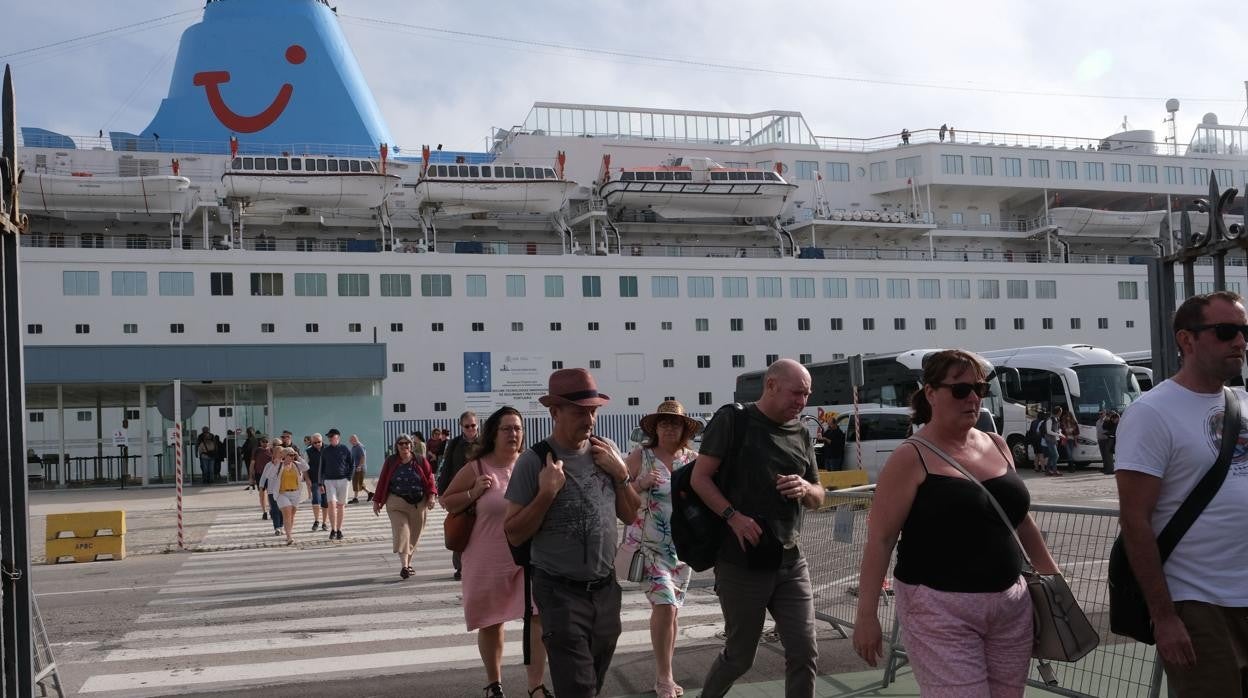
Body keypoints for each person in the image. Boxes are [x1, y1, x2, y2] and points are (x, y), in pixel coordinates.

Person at [853, 349, 1060, 696]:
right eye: (961, 390)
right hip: (939, 609)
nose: (974, 398)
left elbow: (1021, 522)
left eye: (979, 388)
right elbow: (881, 539)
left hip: (1011, 606)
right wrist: (866, 615)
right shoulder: (911, 457)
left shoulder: (996, 444)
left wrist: (1055, 584)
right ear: (931, 394)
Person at [1115, 291, 1248, 696]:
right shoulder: (1152, 412)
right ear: (1186, 341)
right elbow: (1135, 519)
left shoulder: (1241, 403)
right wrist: (1165, 616)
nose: (1240, 342)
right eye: (1227, 332)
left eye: (1244, 331)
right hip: (1198, 603)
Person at [691, 359, 824, 698]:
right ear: (771, 385)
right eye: (796, 393)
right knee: (739, 658)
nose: (802, 402)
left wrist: (806, 488)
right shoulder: (733, 421)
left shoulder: (802, 433)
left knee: (804, 652)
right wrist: (733, 515)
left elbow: (819, 494)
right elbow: (699, 478)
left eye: (807, 394)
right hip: (741, 563)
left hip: (791, 562)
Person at [503, 368, 639, 697]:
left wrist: (621, 475)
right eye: (580, 412)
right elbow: (514, 533)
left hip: (606, 588)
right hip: (559, 591)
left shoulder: (605, 450)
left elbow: (631, 513)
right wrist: (547, 493)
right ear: (555, 412)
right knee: (578, 687)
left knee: (593, 678)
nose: (590, 419)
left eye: (593, 411)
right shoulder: (533, 462)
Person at [443, 407, 553, 698]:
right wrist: (473, 493)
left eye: (517, 428)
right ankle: (495, 684)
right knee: (492, 622)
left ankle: (536, 685)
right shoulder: (477, 468)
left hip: (526, 556)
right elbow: (448, 501)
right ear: (493, 433)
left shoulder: (530, 464)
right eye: (507, 428)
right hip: (485, 559)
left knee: (537, 616)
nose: (513, 434)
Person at [623, 400, 700, 698]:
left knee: (673, 612)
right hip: (649, 546)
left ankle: (666, 672)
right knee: (666, 606)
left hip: (682, 548)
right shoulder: (641, 456)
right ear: (655, 428)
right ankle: (664, 677)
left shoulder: (692, 459)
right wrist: (641, 482)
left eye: (675, 423)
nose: (669, 427)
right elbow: (620, 495)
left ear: (683, 429)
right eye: (664, 423)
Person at [373, 433, 437, 579]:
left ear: (411, 445)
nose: (404, 446)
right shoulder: (391, 461)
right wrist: (377, 501)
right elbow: (383, 480)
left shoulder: (420, 460)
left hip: (418, 503)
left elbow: (430, 479)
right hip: (396, 502)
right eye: (401, 444)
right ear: (396, 446)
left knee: (414, 534)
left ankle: (408, 564)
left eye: (406, 443)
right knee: (402, 532)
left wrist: (432, 496)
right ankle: (404, 566)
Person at [439, 411, 481, 580]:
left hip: (482, 491)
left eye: (473, 425)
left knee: (481, 529)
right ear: (461, 427)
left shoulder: (486, 442)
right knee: (460, 527)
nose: (471, 428)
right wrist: (442, 493)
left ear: (477, 424)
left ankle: (479, 564)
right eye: (467, 426)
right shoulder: (455, 444)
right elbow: (446, 467)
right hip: (460, 492)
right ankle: (460, 567)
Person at [269, 447, 313, 545]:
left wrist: (299, 457)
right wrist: (277, 463)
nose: (292, 457)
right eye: (290, 455)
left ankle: (289, 532)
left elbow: (306, 467)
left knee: (292, 515)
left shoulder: (296, 465)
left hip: (295, 493)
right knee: (287, 511)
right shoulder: (279, 466)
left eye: (293, 455)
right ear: (284, 456)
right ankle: (289, 537)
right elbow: (270, 475)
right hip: (282, 493)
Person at [320, 429, 354, 540]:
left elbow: (352, 464)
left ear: (338, 437)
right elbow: (322, 467)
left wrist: (349, 478)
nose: (330, 438)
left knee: (340, 505)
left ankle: (339, 529)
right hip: (329, 481)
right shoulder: (325, 450)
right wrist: (320, 483)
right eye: (328, 436)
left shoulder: (345, 449)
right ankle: (333, 529)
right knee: (331, 504)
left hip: (343, 480)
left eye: (332, 436)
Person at [306, 433, 328, 532]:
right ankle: (316, 521)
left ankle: (324, 522)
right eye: (315, 443)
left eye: (319, 442)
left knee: (325, 502)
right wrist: (307, 479)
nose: (317, 444)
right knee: (316, 501)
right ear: (312, 442)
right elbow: (305, 468)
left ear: (322, 440)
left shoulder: (328, 449)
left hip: (327, 480)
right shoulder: (308, 451)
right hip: (314, 479)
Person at [251, 436, 273, 519]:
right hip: (259, 474)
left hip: (270, 475)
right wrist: (251, 477)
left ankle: (272, 510)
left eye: (266, 441)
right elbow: (252, 463)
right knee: (262, 494)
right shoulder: (256, 451)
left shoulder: (271, 450)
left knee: (270, 493)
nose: (265, 443)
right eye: (263, 441)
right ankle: (264, 511)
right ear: (260, 442)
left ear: (269, 442)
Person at [348, 434, 372, 503]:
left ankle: (355, 498)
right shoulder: (354, 447)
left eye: (351, 441)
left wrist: (359, 466)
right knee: (359, 482)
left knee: (356, 482)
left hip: (360, 468)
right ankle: (370, 493)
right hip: (356, 467)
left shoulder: (360, 447)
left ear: (355, 439)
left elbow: (363, 457)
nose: (350, 442)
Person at [1043, 407, 1065, 477]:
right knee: (1056, 455)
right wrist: (1058, 434)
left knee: (1051, 455)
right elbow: (1048, 431)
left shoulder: (1057, 419)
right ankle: (1054, 471)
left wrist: (1061, 434)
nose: (1061, 413)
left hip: (1055, 439)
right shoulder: (1050, 420)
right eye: (1060, 412)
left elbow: (1058, 429)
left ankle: (1047, 471)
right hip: (1050, 440)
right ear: (1058, 412)